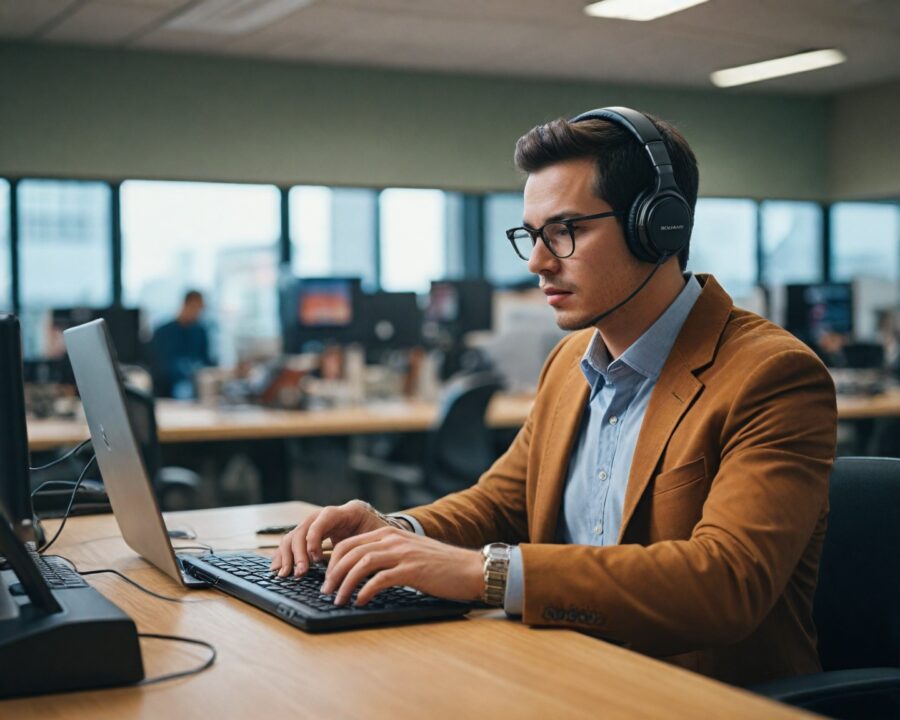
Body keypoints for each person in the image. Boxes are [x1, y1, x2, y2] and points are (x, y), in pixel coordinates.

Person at [271, 107, 837, 687]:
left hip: (694, 694)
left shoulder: (772, 375)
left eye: (566, 231)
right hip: (560, 673)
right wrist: (395, 533)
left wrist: (485, 574)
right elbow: (502, 504)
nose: (538, 262)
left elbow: (724, 585)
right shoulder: (570, 362)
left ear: (658, 227)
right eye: (532, 235)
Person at [150, 290, 213, 398]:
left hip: (196, 389)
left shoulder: (200, 332)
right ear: (185, 305)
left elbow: (206, 361)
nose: (198, 312)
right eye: (195, 307)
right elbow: (159, 366)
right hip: (167, 391)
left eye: (200, 309)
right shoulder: (163, 332)